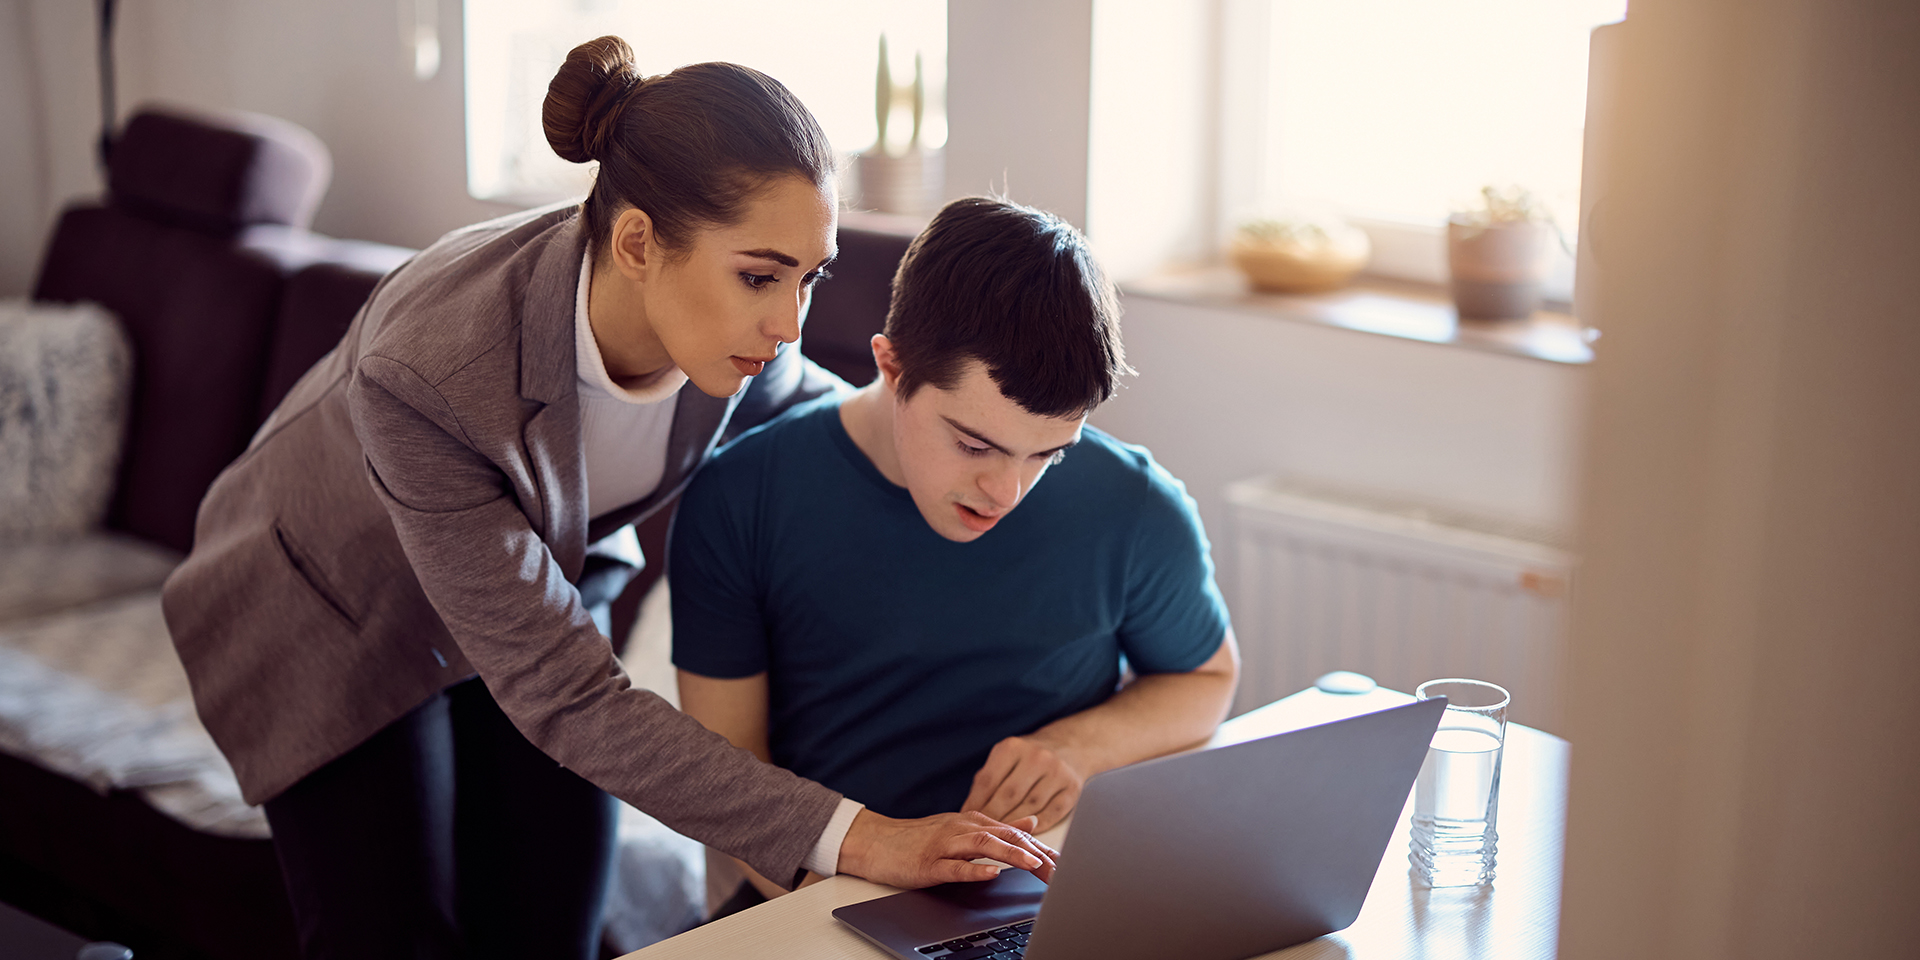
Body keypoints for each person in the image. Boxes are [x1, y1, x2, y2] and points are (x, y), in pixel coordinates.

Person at [159, 37, 1054, 960]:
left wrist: (1004, 443)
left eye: (809, 276)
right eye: (760, 275)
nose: (790, 325)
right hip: (328, 607)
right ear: (635, 243)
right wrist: (862, 836)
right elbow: (564, 693)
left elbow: (842, 420)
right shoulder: (428, 367)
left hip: (538, 589)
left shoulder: (732, 335)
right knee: (393, 942)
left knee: (554, 926)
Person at [670, 197, 1240, 911]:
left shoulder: (1136, 505)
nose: (1006, 491)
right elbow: (724, 782)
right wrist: (830, 904)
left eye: (1048, 456)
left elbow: (1207, 679)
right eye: (975, 445)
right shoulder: (740, 498)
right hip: (828, 895)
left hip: (1054, 892)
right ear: (890, 365)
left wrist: (1079, 748)